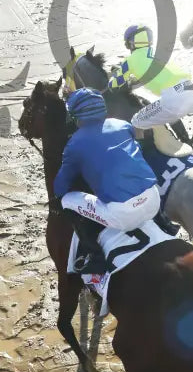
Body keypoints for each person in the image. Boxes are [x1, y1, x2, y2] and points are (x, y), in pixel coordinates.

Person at [51, 89, 177, 276]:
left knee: (66, 200)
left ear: (76, 116)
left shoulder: (74, 144)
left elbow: (60, 186)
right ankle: (164, 222)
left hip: (122, 216)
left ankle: (94, 255)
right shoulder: (122, 125)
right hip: (153, 201)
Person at [107, 25, 193, 131]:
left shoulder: (130, 61)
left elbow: (112, 85)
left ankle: (137, 147)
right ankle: (184, 139)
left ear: (131, 43)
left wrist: (115, 74)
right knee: (167, 113)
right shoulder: (159, 52)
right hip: (192, 92)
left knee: (136, 121)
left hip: (174, 98)